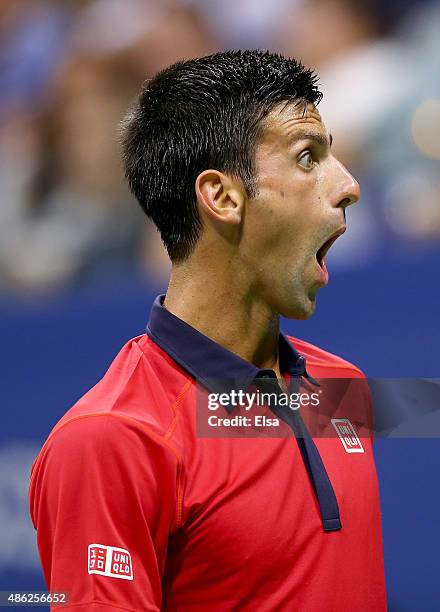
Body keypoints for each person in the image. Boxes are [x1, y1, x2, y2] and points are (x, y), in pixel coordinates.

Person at [29, 50, 386, 611]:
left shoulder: (342, 386)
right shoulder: (111, 438)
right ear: (221, 196)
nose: (348, 186)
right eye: (307, 157)